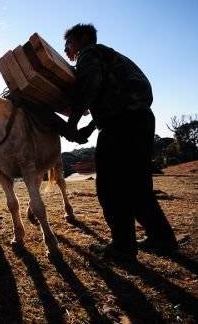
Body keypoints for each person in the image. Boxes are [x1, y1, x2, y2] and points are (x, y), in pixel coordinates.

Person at [63, 23, 178, 261]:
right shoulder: (111, 56)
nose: (67, 51)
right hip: (140, 119)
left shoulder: (90, 53)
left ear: (83, 39)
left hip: (121, 124)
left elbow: (89, 87)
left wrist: (72, 123)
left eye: (69, 44)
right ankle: (162, 239)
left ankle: (123, 247)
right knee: (138, 187)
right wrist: (92, 125)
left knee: (111, 186)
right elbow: (112, 95)